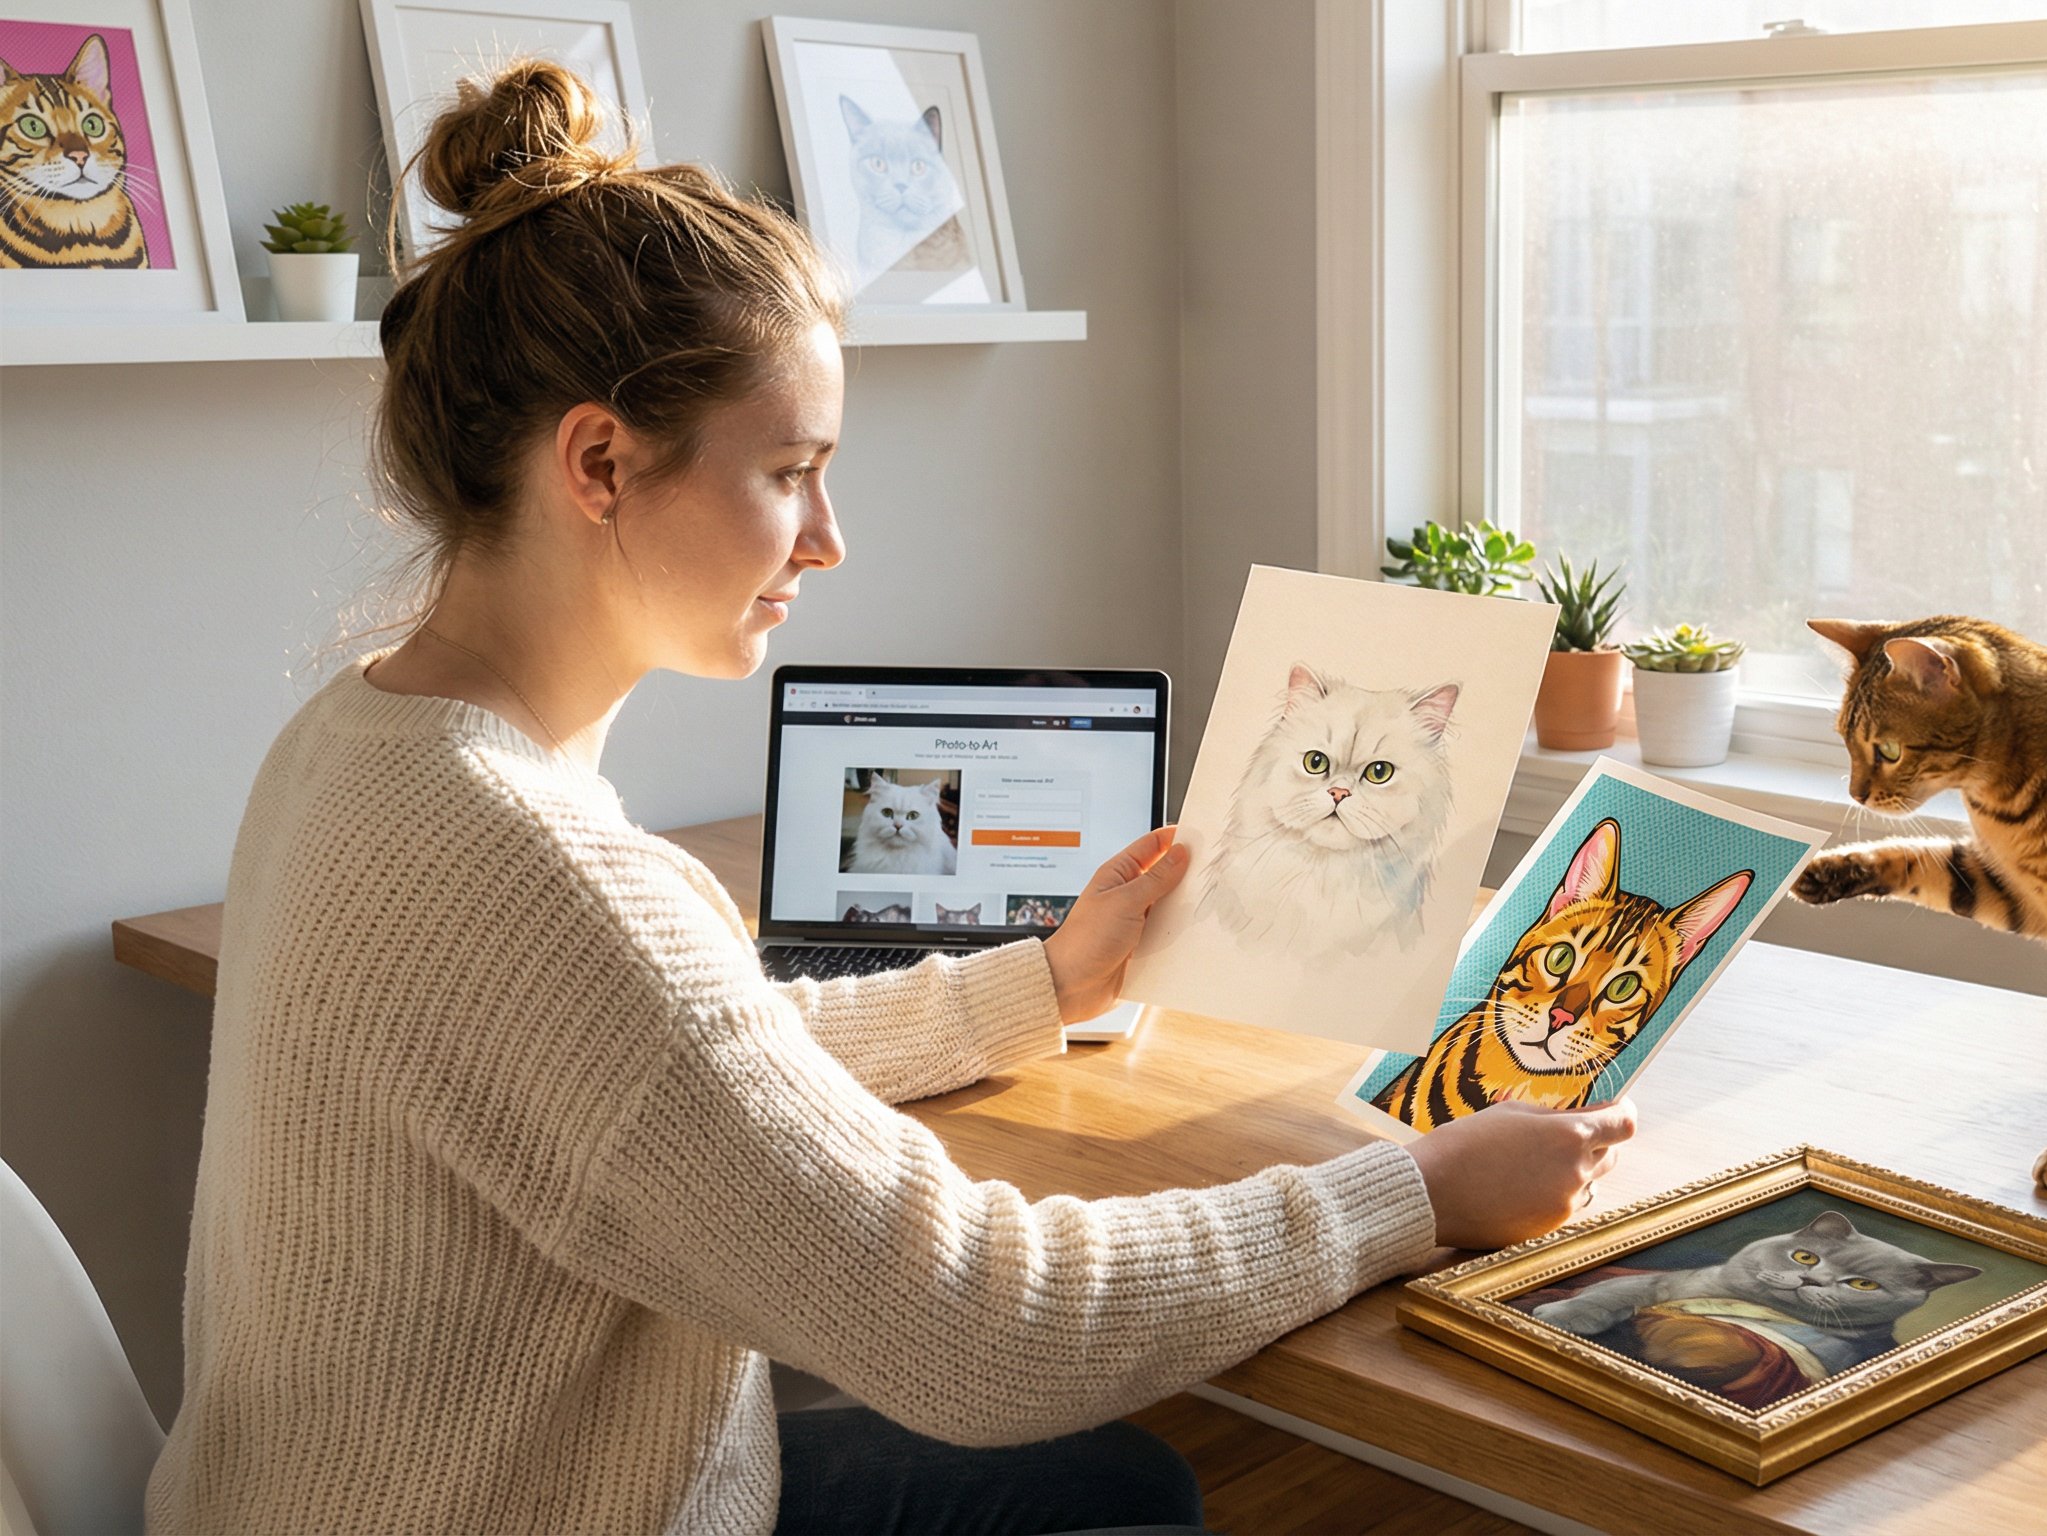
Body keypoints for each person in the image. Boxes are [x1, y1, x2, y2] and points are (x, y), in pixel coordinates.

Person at [145, 60, 1634, 1536]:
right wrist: (1415, 1195)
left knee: (1136, 1482)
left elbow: (687, 1058)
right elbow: (989, 1330)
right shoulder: (535, 868)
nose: (829, 539)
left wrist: (1039, 983)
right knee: (1126, 1481)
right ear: (598, 462)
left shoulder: (362, 742)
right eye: (791, 472)